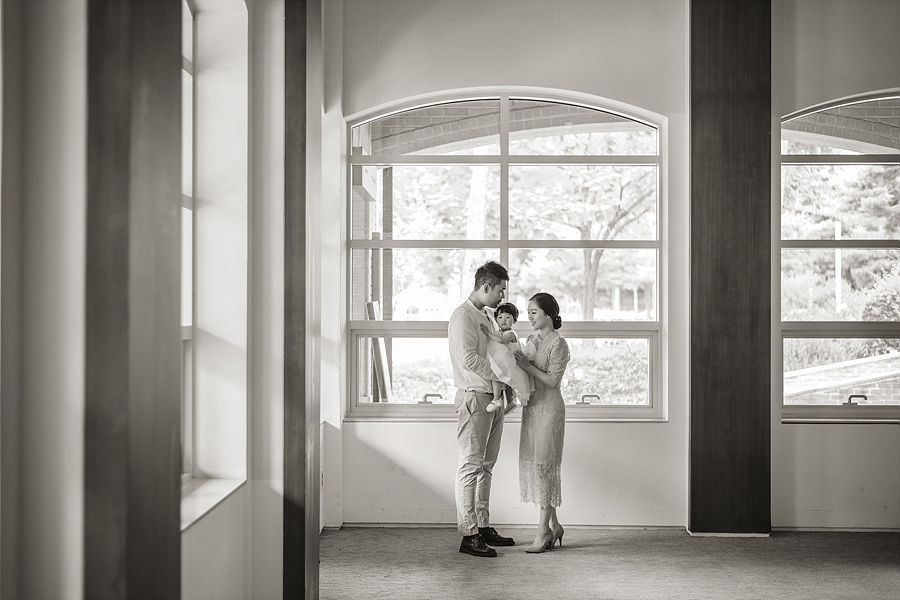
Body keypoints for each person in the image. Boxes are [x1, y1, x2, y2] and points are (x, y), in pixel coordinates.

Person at [448, 261, 516, 557]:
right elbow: (468, 359)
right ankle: (469, 534)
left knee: (486, 466)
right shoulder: (463, 316)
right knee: (470, 466)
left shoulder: (486, 315)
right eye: (500, 290)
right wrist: (499, 377)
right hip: (475, 398)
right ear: (486, 286)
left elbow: (496, 351)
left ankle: (483, 526)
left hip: (492, 398)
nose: (503, 296)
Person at [514, 292, 570, 554]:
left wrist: (527, 366)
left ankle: (542, 532)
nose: (529, 317)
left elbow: (552, 381)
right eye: (528, 312)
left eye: (534, 312)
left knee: (545, 468)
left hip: (550, 410)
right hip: (532, 408)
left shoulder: (559, 344)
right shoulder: (532, 340)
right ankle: (555, 526)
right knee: (539, 467)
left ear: (549, 315)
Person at [480, 302, 533, 413]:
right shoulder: (499, 332)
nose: (503, 320)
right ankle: (510, 401)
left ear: (514, 320)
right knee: (504, 380)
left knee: (497, 373)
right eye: (500, 317)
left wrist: (488, 333)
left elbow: (502, 340)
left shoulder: (511, 333)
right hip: (506, 360)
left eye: (507, 317)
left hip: (510, 360)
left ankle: (497, 398)